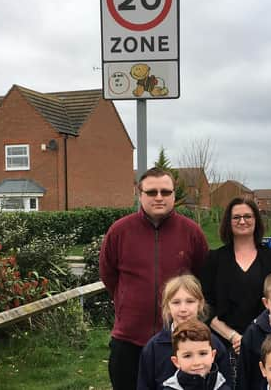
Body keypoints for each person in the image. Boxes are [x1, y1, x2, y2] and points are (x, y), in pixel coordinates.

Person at [100, 167, 209, 390]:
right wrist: (126, 301)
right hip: (128, 338)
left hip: (178, 339)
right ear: (139, 194)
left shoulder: (191, 232)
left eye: (165, 192)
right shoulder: (119, 231)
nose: (159, 197)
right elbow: (109, 275)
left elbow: (201, 278)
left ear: (174, 196)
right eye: (151, 192)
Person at [200, 197, 271, 354]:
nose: (242, 221)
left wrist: (256, 338)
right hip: (224, 345)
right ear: (228, 221)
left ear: (256, 220)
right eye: (236, 217)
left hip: (268, 345)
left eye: (247, 216)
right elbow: (205, 306)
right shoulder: (214, 259)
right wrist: (233, 337)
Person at [138, 275, 233, 390]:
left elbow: (227, 384)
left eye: (190, 301)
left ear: (200, 304)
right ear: (167, 306)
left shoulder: (215, 344)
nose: (183, 309)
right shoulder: (153, 347)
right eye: (176, 302)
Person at [163, 319, 231, 390]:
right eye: (187, 356)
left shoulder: (223, 387)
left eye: (203, 353)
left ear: (212, 356)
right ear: (176, 362)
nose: (197, 362)